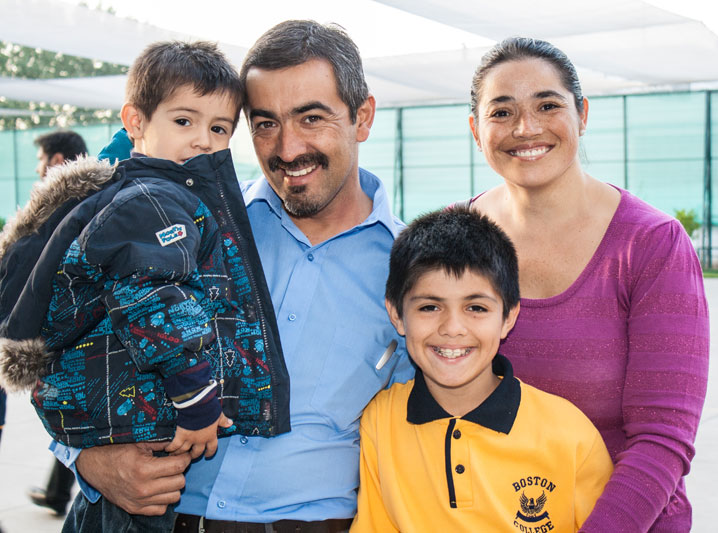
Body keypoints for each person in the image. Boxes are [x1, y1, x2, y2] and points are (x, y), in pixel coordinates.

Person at [49, 20, 414, 532]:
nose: (287, 149)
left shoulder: (411, 271)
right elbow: (64, 337)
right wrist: (85, 459)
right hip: (139, 516)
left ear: (363, 116)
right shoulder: (181, 224)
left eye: (311, 118)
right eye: (265, 123)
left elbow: (419, 432)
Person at [0, 40, 290, 531]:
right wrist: (197, 400)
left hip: (125, 425)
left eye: (218, 128)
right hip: (135, 433)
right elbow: (156, 303)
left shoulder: (158, 194)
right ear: (135, 122)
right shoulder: (152, 201)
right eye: (184, 121)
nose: (202, 140)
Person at [463, 37, 710, 532]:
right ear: (475, 129)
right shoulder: (457, 237)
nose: (525, 128)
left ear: (582, 114)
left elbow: (662, 440)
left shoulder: (651, 243)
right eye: (502, 112)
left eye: (547, 105)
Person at [351, 207, 614, 532]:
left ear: (508, 317)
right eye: (429, 307)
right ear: (396, 315)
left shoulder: (572, 436)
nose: (453, 328)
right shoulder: (380, 421)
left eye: (476, 307)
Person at [24, 129, 90, 516]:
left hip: (68, 336)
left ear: (58, 160)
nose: (37, 168)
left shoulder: (68, 207)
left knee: (73, 414)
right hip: (69, 336)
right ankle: (58, 492)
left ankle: (60, 493)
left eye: (41, 158)